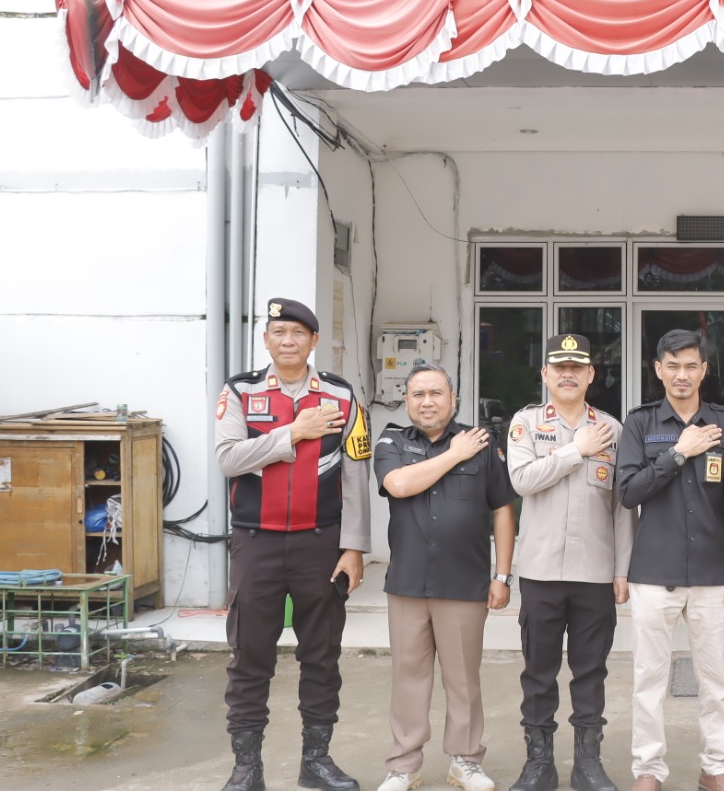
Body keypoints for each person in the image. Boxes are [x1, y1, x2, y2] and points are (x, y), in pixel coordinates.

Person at [214, 297, 371, 791]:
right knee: (249, 654)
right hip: (255, 542)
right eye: (279, 332)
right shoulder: (240, 391)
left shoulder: (341, 396)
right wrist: (293, 433)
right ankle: (247, 767)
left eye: (298, 333)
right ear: (266, 339)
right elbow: (227, 459)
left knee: (321, 655)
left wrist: (354, 547)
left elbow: (356, 474)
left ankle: (316, 761)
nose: (288, 341)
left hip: (321, 545)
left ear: (314, 341)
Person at [373, 364, 518, 791]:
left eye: (436, 393)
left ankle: (465, 762)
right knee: (408, 678)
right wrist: (454, 455)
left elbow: (502, 509)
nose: (427, 402)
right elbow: (399, 485)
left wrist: (502, 574)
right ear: (406, 400)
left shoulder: (482, 443)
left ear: (452, 398)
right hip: (408, 583)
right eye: (418, 394)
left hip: (464, 582)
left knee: (463, 680)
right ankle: (404, 766)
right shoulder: (392, 441)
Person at [618, 329, 724, 791]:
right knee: (648, 680)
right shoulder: (640, 423)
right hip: (654, 573)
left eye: (691, 365)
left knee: (716, 680)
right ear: (658, 369)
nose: (682, 374)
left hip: (713, 576)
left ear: (704, 370)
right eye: (672, 365)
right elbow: (628, 491)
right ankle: (648, 770)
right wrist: (678, 453)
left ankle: (716, 767)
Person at [505, 334, 635, 791]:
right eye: (559, 367)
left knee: (591, 671)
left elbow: (623, 507)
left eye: (577, 367)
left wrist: (622, 569)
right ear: (545, 373)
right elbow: (522, 480)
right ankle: (538, 763)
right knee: (538, 672)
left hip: (594, 573)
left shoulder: (613, 430)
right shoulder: (525, 424)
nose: (567, 374)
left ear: (590, 375)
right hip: (540, 571)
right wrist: (575, 450)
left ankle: (588, 764)